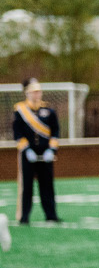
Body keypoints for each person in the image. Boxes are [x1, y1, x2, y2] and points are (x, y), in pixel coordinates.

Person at [13, 78, 61, 224]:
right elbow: (17, 133)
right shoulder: (20, 110)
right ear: (27, 93)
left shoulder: (48, 110)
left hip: (45, 153)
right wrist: (26, 149)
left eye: (38, 91)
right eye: (34, 92)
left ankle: (51, 215)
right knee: (27, 186)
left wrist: (52, 150)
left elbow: (55, 131)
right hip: (28, 155)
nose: (37, 94)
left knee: (47, 185)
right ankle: (24, 216)